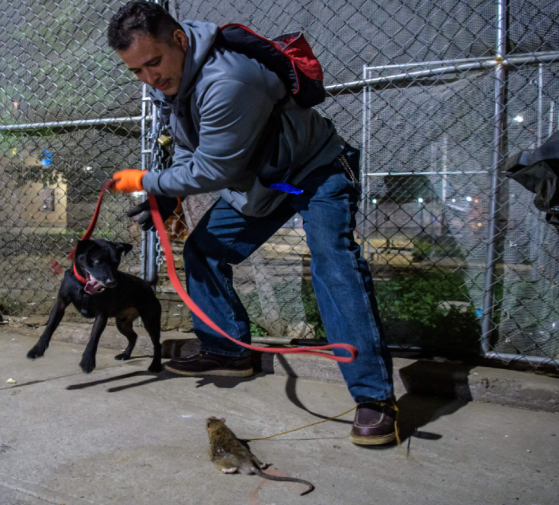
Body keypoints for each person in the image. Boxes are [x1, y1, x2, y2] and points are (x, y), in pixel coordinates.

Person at [106, 1, 397, 446]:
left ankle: (375, 400)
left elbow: (212, 170)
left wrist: (146, 181)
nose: (149, 79)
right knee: (205, 250)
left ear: (179, 41)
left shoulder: (229, 79)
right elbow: (186, 146)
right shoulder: (170, 80)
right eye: (135, 71)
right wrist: (168, 193)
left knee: (333, 264)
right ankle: (227, 350)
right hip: (267, 183)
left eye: (154, 63)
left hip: (315, 174)